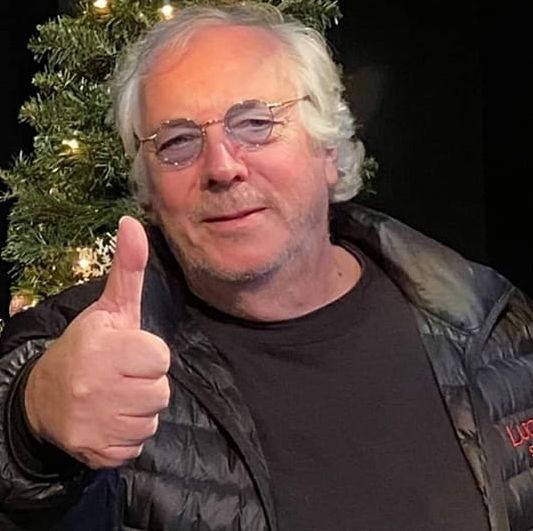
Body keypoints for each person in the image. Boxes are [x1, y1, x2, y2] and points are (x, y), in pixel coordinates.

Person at [0, 4, 531, 531]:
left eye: (255, 123)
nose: (222, 166)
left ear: (328, 149)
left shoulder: (488, 323)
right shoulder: (91, 346)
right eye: (178, 141)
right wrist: (32, 419)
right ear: (149, 189)